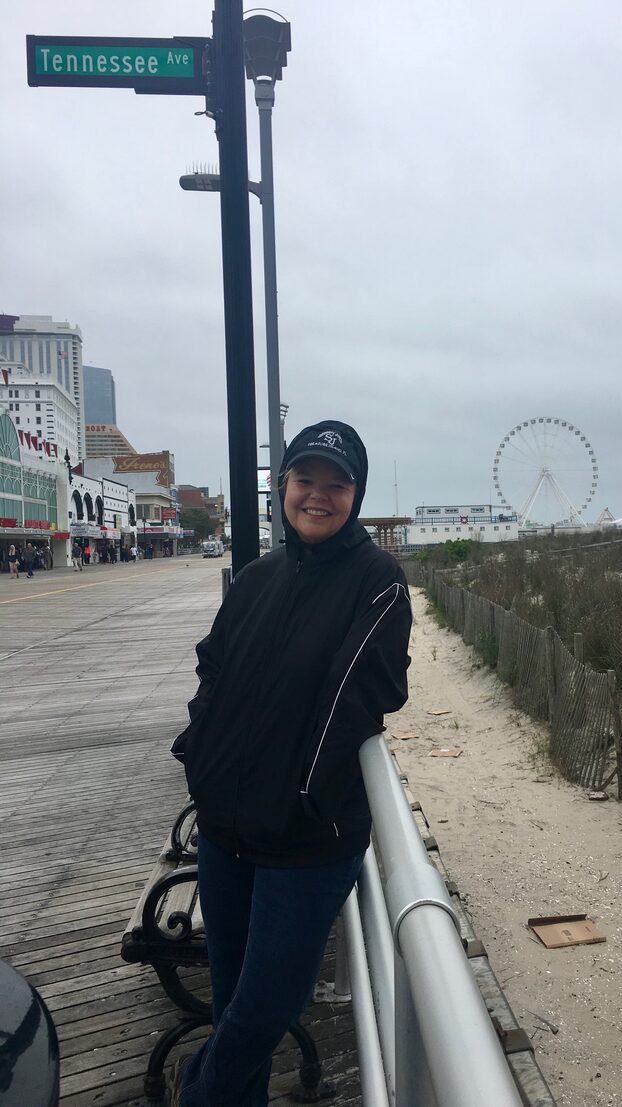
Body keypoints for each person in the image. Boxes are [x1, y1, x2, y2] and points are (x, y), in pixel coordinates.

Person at [168, 421, 412, 1107]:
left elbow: (361, 696)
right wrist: (200, 754)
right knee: (230, 1004)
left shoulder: (379, 581)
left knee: (262, 1011)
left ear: (355, 495)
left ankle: (198, 1096)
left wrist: (302, 796)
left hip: (306, 842)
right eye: (306, 480)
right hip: (225, 832)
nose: (318, 495)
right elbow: (212, 669)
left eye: (336, 484)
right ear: (283, 488)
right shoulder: (257, 578)